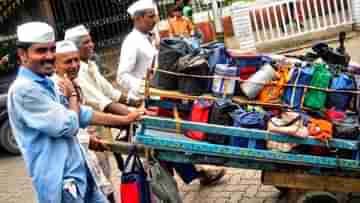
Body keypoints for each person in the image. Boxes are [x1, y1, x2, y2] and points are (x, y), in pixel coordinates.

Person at [7, 22, 143, 203]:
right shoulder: (25, 90)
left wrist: (126, 119)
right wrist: (72, 95)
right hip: (62, 184)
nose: (49, 56)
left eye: (51, 49)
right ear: (22, 55)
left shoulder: (46, 83)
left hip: (80, 174)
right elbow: (69, 125)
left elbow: (81, 114)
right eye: (41, 51)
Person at [118, 0, 226, 187]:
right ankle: (190, 177)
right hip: (150, 102)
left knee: (171, 139)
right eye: (151, 16)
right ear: (138, 18)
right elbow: (122, 76)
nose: (155, 20)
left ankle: (193, 175)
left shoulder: (150, 36)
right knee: (168, 140)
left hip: (163, 98)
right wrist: (145, 86)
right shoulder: (131, 42)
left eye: (155, 15)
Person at [53, 40, 117, 203]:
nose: (74, 65)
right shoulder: (58, 88)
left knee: (104, 184)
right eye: (68, 61)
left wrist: (126, 118)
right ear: (55, 65)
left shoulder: (75, 80)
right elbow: (69, 126)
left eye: (76, 60)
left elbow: (86, 112)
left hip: (90, 145)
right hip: (73, 162)